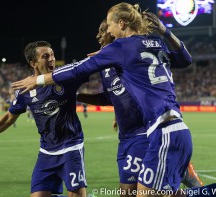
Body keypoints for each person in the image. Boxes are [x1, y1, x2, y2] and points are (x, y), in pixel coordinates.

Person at [12, 3, 216, 197]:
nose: (104, 31)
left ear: (120, 24)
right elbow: (185, 60)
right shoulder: (153, 42)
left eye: (108, 26)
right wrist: (165, 32)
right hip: (168, 127)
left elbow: (78, 68)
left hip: (161, 130)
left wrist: (40, 80)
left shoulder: (120, 47)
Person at [77, 16, 202, 197]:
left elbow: (180, 62)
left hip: (143, 133)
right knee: (145, 192)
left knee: (133, 192)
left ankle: (206, 187)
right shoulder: (105, 65)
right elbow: (111, 96)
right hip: (125, 137)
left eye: (103, 30)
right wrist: (78, 97)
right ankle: (203, 185)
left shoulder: (130, 58)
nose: (99, 35)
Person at [0, 41, 88, 197]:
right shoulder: (25, 90)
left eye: (53, 55)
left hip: (71, 147)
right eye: (45, 56)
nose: (52, 59)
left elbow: (87, 68)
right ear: (33, 63)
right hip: (46, 151)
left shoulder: (65, 78)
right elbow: (9, 118)